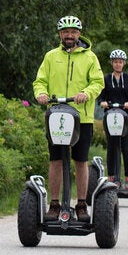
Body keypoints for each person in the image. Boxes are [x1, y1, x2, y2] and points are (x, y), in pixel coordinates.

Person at [33, 16, 105, 221]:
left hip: (82, 117)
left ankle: (81, 204)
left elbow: (98, 82)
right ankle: (54, 205)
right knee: (55, 160)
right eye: (65, 32)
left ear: (79, 34)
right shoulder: (50, 56)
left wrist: (86, 93)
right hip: (56, 116)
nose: (69, 35)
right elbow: (40, 80)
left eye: (73, 32)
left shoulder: (90, 57)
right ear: (60, 35)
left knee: (80, 161)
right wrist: (40, 94)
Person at [98, 49, 128, 190]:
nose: (118, 64)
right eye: (115, 62)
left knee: (125, 146)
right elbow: (100, 95)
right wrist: (102, 102)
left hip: (127, 116)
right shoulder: (106, 79)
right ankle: (112, 177)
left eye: (120, 62)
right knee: (112, 146)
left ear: (124, 63)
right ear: (112, 63)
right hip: (111, 116)